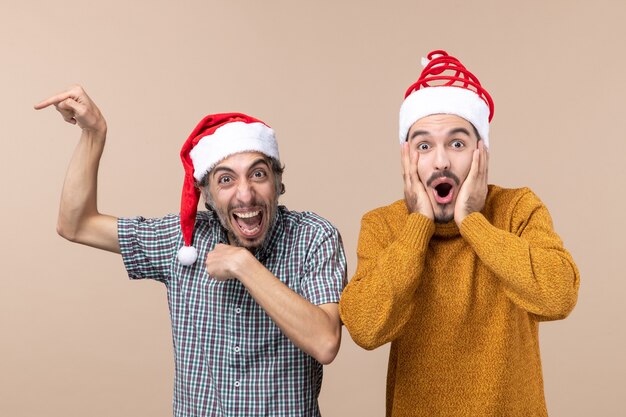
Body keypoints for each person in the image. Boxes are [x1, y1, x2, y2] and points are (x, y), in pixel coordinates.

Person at [35, 86, 347, 417]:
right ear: (207, 195)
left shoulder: (313, 236)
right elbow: (75, 224)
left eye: (258, 174)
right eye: (226, 180)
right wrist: (93, 133)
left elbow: (325, 341)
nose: (245, 194)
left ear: (278, 183)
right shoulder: (183, 240)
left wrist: (244, 265)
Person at [338, 50, 580, 416]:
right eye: (424, 146)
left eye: (457, 143)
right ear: (407, 159)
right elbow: (366, 328)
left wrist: (472, 223)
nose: (441, 161)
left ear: (481, 152)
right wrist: (418, 224)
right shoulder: (384, 225)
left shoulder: (518, 209)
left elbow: (559, 295)